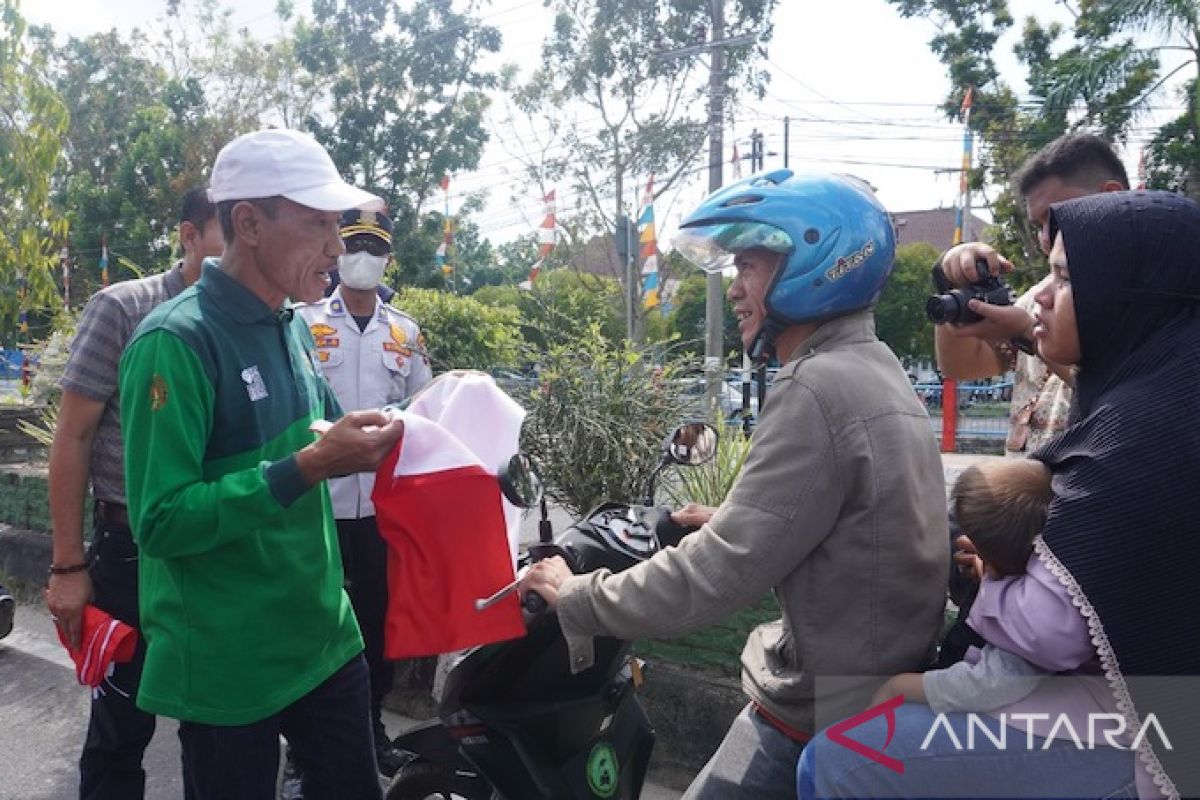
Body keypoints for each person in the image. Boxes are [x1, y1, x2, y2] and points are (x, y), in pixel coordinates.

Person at [519, 170, 949, 799]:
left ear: (815, 264)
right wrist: (737, 515)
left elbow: (716, 575)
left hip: (814, 712)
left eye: (750, 265)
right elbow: (858, 526)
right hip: (871, 692)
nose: (738, 290)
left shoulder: (815, 386)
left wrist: (579, 594)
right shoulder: (878, 372)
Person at [799, 190, 1200, 800]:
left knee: (840, 756)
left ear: (1125, 293)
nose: (1035, 294)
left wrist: (991, 582)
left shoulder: (1136, 438)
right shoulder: (1158, 389)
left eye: (1063, 277)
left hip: (1149, 731)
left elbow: (1054, 631)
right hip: (1125, 702)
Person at [117, 128, 404, 800]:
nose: (337, 246)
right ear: (247, 223)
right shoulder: (174, 342)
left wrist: (418, 429)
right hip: (227, 662)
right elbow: (159, 521)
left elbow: (329, 433)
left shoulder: (293, 324)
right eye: (318, 224)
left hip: (324, 637)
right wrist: (301, 468)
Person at [44, 186, 223, 800]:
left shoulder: (243, 321)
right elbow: (72, 437)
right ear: (189, 236)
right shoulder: (124, 308)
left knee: (218, 722)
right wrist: (68, 565)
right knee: (121, 727)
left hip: (213, 548)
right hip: (132, 551)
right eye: (225, 242)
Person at [296, 208, 432, 776]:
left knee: (375, 622)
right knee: (310, 620)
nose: (362, 259)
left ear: (388, 260)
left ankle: (370, 726)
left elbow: (424, 412)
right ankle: (304, 747)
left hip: (380, 508)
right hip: (315, 505)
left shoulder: (405, 332)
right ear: (337, 250)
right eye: (354, 246)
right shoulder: (300, 322)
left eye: (375, 250)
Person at [932, 132, 1128, 458]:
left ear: (1111, 197)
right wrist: (954, 286)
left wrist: (1025, 332)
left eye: (1053, 219)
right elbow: (962, 365)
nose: (1044, 240)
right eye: (1037, 225)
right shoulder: (1039, 295)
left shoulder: (1160, 295)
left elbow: (1129, 399)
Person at [874, 459, 1053, 712]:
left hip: (985, 697)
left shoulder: (1032, 624)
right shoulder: (1039, 576)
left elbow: (992, 683)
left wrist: (899, 687)